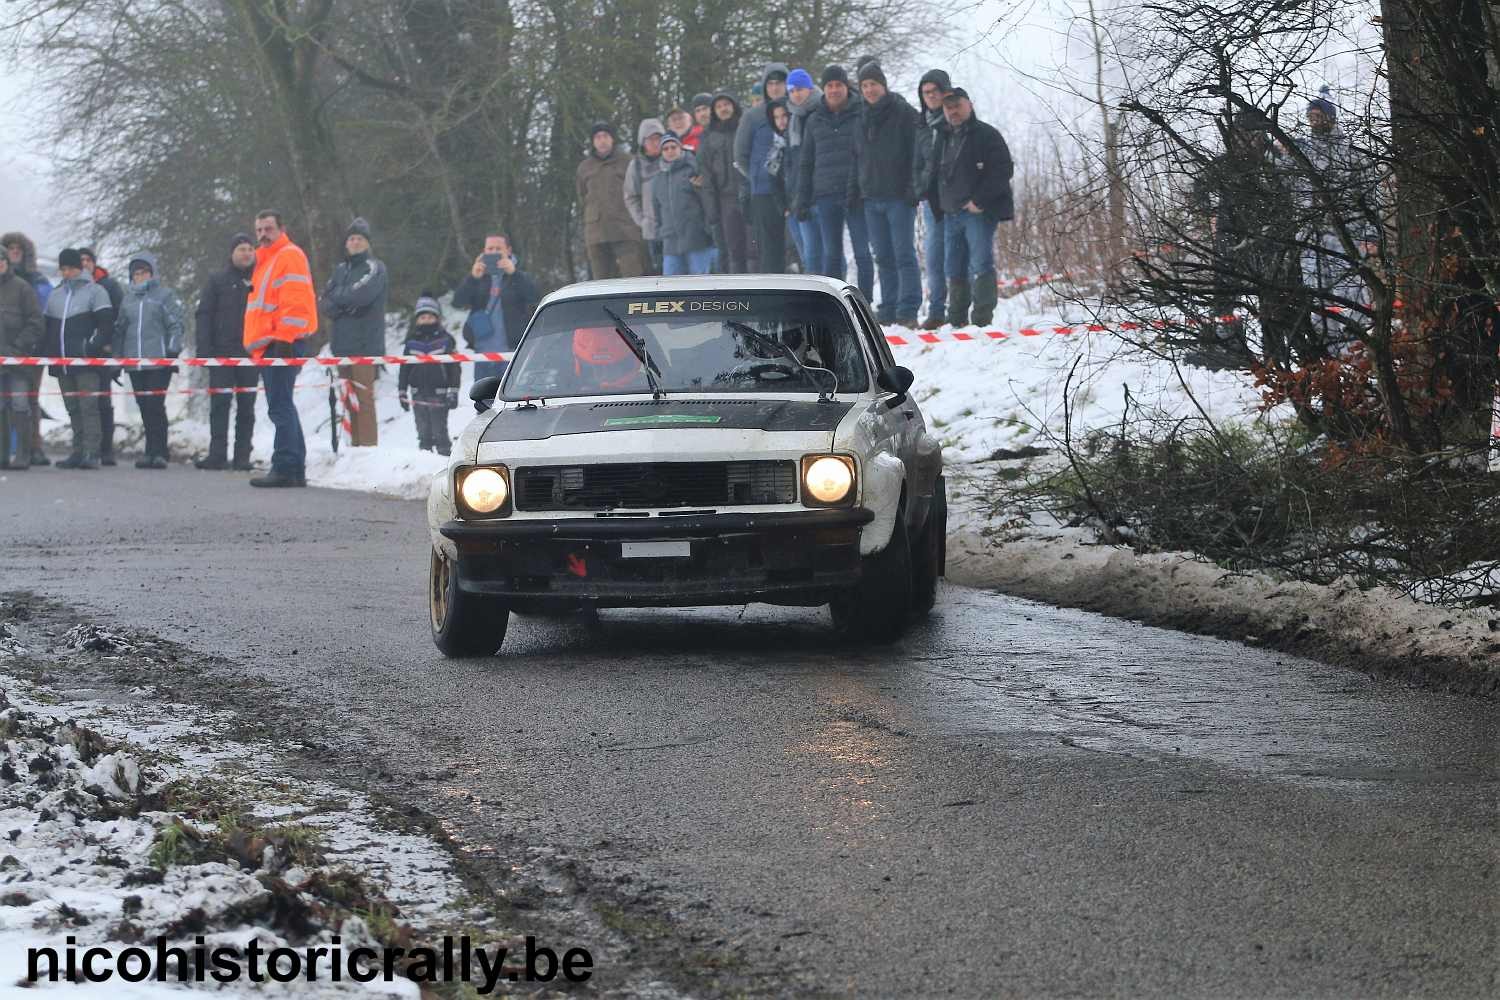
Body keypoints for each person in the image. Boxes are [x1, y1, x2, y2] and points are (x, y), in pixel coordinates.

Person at [1291, 87, 1378, 356]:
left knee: (1349, 292)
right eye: (1311, 117)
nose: (1314, 121)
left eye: (1318, 116)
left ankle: (1355, 348)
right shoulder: (1302, 152)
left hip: (1346, 235)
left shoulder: (1350, 152)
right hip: (1311, 236)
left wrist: (1371, 236)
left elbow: (1369, 195)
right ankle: (1326, 350)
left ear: (1330, 118)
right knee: (1317, 294)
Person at [244, 210, 318, 488]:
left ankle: (286, 466)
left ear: (281, 228)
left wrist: (286, 338)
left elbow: (295, 301)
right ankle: (293, 467)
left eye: (268, 229)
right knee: (282, 404)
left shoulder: (288, 255)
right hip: (272, 344)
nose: (263, 234)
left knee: (280, 406)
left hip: (282, 343)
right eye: (259, 229)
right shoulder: (267, 260)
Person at [849, 62, 921, 326]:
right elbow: (856, 159)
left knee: (903, 253)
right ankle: (888, 307)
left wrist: (913, 188)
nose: (869, 89)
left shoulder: (903, 112)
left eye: (873, 84)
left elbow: (917, 153)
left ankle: (909, 308)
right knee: (883, 256)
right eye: (864, 85)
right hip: (870, 198)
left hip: (899, 197)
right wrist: (853, 192)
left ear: (884, 85)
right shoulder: (860, 117)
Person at [795, 65, 873, 298]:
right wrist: (802, 197)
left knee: (862, 252)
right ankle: (835, 303)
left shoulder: (862, 113)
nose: (834, 90)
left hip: (856, 193)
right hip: (825, 193)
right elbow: (806, 161)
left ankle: (866, 300)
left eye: (838, 85)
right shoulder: (814, 119)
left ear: (846, 87)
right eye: (829, 86)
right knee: (831, 254)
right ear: (824, 89)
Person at [937, 88, 1012, 327]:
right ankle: (956, 320)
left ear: (969, 104)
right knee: (954, 266)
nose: (953, 111)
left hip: (977, 212)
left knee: (981, 263)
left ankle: (981, 320)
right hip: (950, 213)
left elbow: (1003, 171)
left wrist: (979, 201)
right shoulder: (943, 136)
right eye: (948, 107)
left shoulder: (987, 135)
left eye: (957, 105)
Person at [110, 252, 185, 468]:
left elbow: (175, 324)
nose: (139, 276)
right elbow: (120, 330)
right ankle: (149, 451)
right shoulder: (128, 300)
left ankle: (160, 451)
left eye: (143, 272)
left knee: (155, 405)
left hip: (159, 361)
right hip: (135, 363)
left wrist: (172, 351)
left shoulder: (164, 296)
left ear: (152, 273)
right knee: (143, 406)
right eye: (136, 273)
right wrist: (117, 359)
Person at [43, 248, 115, 469]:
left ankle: (92, 452)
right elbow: (47, 329)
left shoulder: (96, 291)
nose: (67, 273)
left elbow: (106, 325)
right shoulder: (55, 295)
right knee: (73, 407)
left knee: (88, 406)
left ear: (79, 268)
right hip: (62, 363)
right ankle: (77, 451)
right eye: (63, 269)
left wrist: (89, 349)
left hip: (86, 363)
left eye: (70, 268)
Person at [193, 233, 258, 470]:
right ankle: (217, 454)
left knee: (247, 407)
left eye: (250, 249)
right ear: (232, 253)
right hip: (221, 353)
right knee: (220, 405)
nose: (246, 253)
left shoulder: (260, 278)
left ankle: (243, 457)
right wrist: (204, 351)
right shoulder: (217, 280)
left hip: (251, 355)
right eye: (241, 249)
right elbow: (204, 315)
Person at [321, 217, 388, 447]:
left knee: (364, 399)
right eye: (351, 238)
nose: (355, 242)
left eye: (360, 238)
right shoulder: (340, 270)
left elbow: (362, 296)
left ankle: (368, 449)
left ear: (367, 243)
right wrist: (345, 304)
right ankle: (355, 447)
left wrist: (341, 301)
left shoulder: (375, 267)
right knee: (348, 400)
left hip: (365, 345)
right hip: (342, 346)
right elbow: (326, 302)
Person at [452, 233, 541, 383]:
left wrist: (514, 274)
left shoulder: (518, 275)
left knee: (512, 402)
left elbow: (534, 296)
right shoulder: (478, 277)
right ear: (484, 251)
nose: (493, 252)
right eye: (490, 248)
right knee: (483, 401)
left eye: (498, 248)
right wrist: (472, 278)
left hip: (512, 352)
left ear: (508, 250)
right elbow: (458, 302)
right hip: (482, 353)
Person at [3, 232, 53, 466]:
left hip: (28, 352)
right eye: (9, 248)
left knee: (27, 400)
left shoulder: (33, 283)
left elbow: (39, 319)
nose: (14, 252)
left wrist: (23, 345)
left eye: (17, 248)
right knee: (4, 403)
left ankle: (32, 448)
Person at [911, 69, 956, 329]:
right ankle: (937, 311)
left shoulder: (956, 118)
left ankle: (961, 310)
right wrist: (920, 187)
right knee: (934, 256)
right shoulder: (921, 124)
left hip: (957, 197)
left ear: (944, 91)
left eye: (934, 92)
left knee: (958, 257)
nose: (930, 97)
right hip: (932, 200)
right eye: (925, 93)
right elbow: (916, 161)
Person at [576, 122, 647, 279]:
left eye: (605, 136)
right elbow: (582, 196)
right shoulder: (584, 167)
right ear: (593, 142)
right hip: (596, 232)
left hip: (625, 229)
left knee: (633, 279)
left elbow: (640, 194)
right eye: (598, 137)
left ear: (613, 139)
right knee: (601, 282)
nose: (602, 140)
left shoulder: (629, 161)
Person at [398, 294, 460, 455]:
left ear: (436, 318)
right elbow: (404, 367)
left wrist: (453, 391)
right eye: (422, 317)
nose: (426, 320)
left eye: (430, 317)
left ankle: (444, 458)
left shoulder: (446, 340)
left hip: (439, 393)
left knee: (440, 430)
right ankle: (424, 460)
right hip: (418, 393)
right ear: (417, 320)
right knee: (423, 431)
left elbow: (454, 368)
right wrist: (402, 391)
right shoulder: (411, 341)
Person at [78, 248, 122, 464]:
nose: (85, 263)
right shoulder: (73, 288)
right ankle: (85, 448)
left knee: (104, 401)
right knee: (84, 403)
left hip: (104, 352)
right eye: (81, 261)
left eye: (88, 260)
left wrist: (112, 349)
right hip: (81, 353)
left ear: (94, 263)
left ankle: (106, 450)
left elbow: (118, 318)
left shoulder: (110, 286)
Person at [653, 133, 718, 275]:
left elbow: (707, 202)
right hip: (671, 243)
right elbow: (657, 211)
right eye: (666, 148)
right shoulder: (657, 179)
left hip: (696, 239)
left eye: (673, 147)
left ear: (680, 148)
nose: (670, 151)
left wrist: (708, 230)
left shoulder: (693, 169)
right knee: (670, 288)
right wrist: (659, 234)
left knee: (700, 285)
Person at [0, 251, 43, 469]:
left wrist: (18, 347)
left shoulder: (22, 288)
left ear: (7, 263)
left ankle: (23, 455)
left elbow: (36, 321)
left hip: (17, 359)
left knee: (19, 405)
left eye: (1, 261)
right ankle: (2, 455)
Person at [700, 92, 749, 273]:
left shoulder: (744, 128)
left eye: (726, 104)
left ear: (734, 106)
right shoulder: (709, 138)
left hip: (749, 196)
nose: (723, 109)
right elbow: (707, 177)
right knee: (733, 251)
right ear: (715, 111)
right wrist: (712, 211)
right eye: (719, 106)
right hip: (725, 201)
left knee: (754, 250)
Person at [785, 69, 823, 270]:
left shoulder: (820, 111)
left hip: (820, 193)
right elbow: (791, 161)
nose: (796, 94)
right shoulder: (792, 118)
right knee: (809, 255)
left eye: (799, 89)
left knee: (825, 252)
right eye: (791, 91)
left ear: (809, 89)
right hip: (798, 196)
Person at [624, 118, 667, 274]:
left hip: (676, 229)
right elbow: (631, 197)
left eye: (659, 138)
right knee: (659, 274)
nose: (656, 143)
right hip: (653, 231)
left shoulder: (671, 157)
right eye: (651, 139)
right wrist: (642, 220)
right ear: (643, 142)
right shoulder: (635, 166)